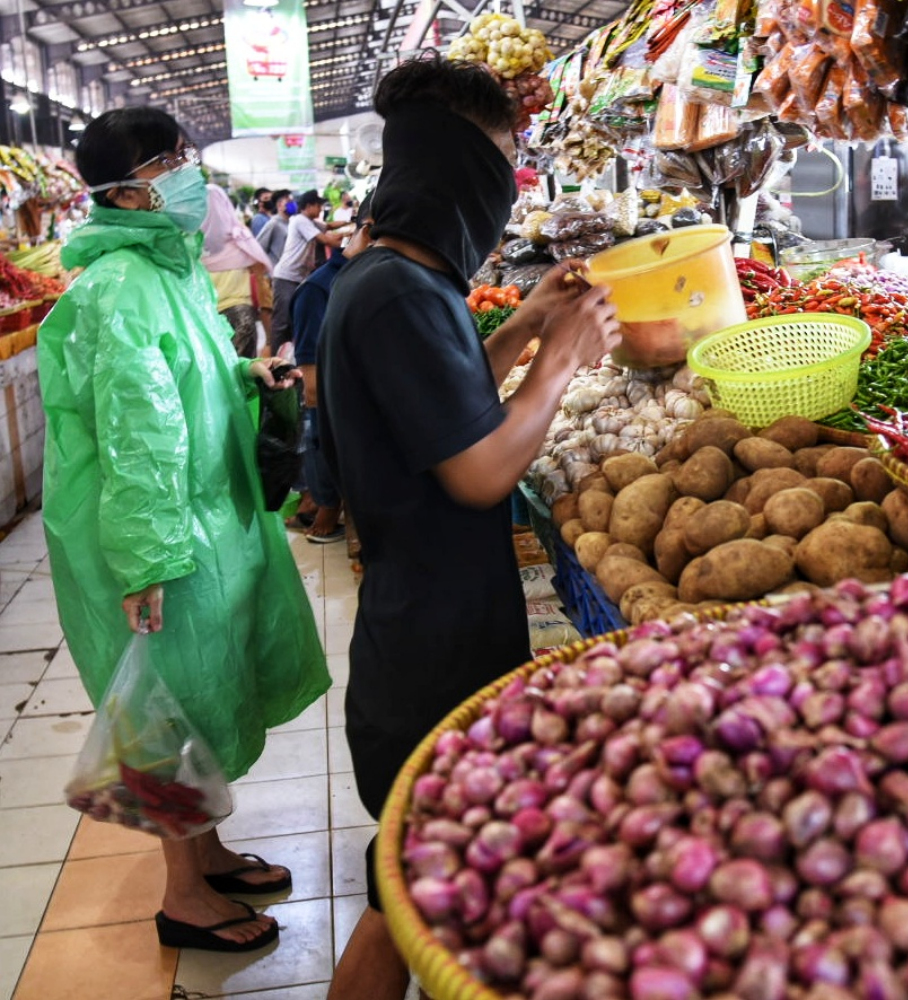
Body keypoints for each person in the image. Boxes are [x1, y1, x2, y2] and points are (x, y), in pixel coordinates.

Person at [321, 55, 620, 1000]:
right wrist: (563, 361)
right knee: (404, 881)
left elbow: (446, 402)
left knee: (416, 874)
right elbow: (484, 468)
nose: (507, 186)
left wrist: (528, 321)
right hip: (430, 641)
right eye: (501, 160)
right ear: (458, 170)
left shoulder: (395, 282)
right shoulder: (399, 294)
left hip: (423, 616)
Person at [37, 107, 330, 952]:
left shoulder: (167, 272)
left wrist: (243, 368)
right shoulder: (118, 287)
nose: (186, 170)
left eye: (182, 153)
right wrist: (147, 560)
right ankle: (182, 901)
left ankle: (206, 859)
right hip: (152, 533)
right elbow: (136, 434)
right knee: (168, 716)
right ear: (124, 192)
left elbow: (181, 375)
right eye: (167, 159)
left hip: (192, 519)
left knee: (202, 695)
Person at [290, 201, 373, 543]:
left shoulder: (368, 277)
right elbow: (312, 388)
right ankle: (325, 502)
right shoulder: (318, 290)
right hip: (330, 401)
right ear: (367, 230)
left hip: (355, 397)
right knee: (318, 425)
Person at [270, 190, 348, 359]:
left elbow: (329, 226)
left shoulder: (310, 221)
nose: (321, 209)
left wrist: (351, 224)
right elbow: (327, 240)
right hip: (286, 276)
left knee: (292, 321)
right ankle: (275, 361)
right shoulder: (299, 220)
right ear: (309, 205)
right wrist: (352, 239)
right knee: (282, 322)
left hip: (298, 277)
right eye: (318, 205)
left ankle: (289, 359)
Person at [202, 183, 274, 358]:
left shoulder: (189, 243)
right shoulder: (240, 237)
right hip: (241, 318)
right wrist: (269, 339)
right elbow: (260, 275)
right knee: (242, 377)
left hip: (204, 319)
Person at [255, 189, 292, 265]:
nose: (292, 205)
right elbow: (259, 248)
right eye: (289, 202)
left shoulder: (292, 223)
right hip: (276, 271)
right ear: (279, 205)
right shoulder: (273, 223)